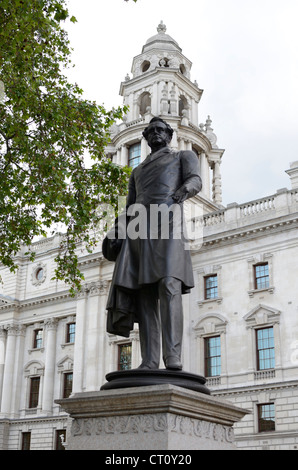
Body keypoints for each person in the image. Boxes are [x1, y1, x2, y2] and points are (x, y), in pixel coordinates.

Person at [103, 117, 202, 370]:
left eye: (161, 130)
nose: (156, 133)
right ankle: (149, 360)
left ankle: (173, 356)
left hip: (169, 222)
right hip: (140, 229)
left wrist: (183, 192)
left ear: (169, 135)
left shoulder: (183, 156)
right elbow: (130, 206)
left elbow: (196, 180)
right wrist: (117, 231)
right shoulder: (137, 172)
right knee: (145, 294)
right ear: (146, 138)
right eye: (151, 131)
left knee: (169, 285)